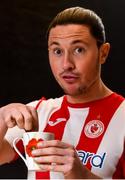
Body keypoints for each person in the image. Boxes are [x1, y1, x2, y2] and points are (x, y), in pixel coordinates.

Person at [0, 6, 125, 179]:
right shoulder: (36, 112)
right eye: (57, 51)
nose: (66, 64)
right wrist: (1, 117)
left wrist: (84, 177)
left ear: (103, 53)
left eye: (79, 49)